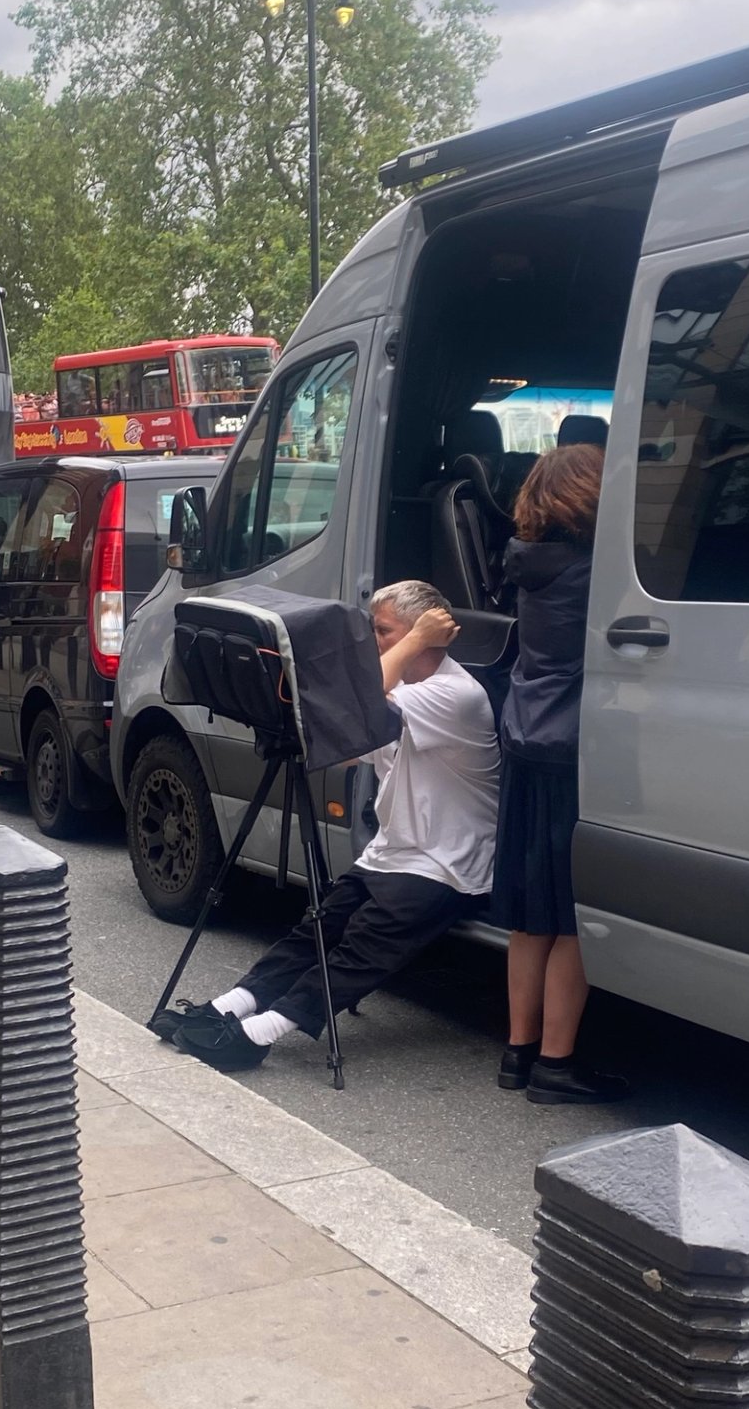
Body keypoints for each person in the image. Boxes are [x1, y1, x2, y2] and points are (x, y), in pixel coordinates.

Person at [166, 580, 499, 1068]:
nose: (372, 641)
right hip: (394, 851)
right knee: (315, 929)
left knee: (363, 944)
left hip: (444, 861)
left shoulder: (456, 694)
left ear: (424, 635)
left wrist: (414, 639)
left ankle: (261, 1034)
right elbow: (348, 744)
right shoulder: (404, 687)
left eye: (382, 631)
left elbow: (362, 698)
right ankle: (230, 1006)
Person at [490, 443, 628, 1104]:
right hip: (572, 748)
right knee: (572, 915)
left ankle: (517, 1051)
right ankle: (555, 1063)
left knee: (530, 917)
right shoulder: (592, 573)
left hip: (524, 738)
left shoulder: (528, 563)